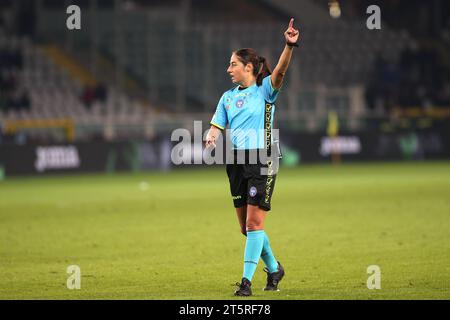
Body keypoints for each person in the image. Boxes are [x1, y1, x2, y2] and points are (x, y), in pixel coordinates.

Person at [205, 18, 300, 296]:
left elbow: (280, 71)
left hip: (262, 159)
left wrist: (289, 46)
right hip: (235, 162)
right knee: (246, 229)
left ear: (248, 67)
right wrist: (212, 134)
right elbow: (216, 124)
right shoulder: (226, 97)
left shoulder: (265, 90)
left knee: (254, 224)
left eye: (233, 64)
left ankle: (245, 283)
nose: (228, 69)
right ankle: (274, 268)